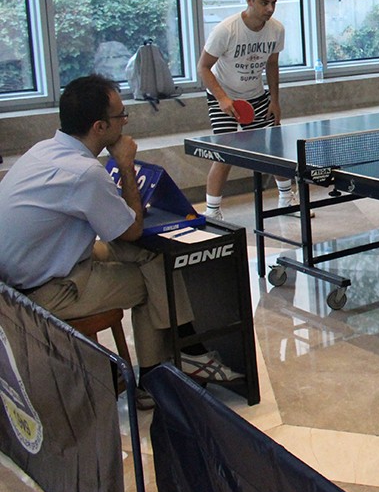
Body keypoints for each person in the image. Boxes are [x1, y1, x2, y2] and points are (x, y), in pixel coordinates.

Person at [0, 75, 241, 409]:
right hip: (45, 291)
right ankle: (155, 379)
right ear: (99, 127)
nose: (125, 121)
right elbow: (131, 229)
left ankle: (187, 349)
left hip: (23, 274)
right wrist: (125, 165)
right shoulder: (85, 173)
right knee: (151, 284)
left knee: (151, 258)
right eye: (121, 116)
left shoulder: (42, 150)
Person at [198, 0, 293, 220]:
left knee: (274, 148)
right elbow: (203, 67)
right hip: (223, 96)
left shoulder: (276, 30)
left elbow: (272, 65)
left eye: (273, 3)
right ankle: (212, 211)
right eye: (264, 3)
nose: (270, 9)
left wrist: (274, 100)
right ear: (249, 0)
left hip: (257, 96)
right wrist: (222, 99)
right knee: (225, 152)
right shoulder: (226, 30)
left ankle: (287, 199)